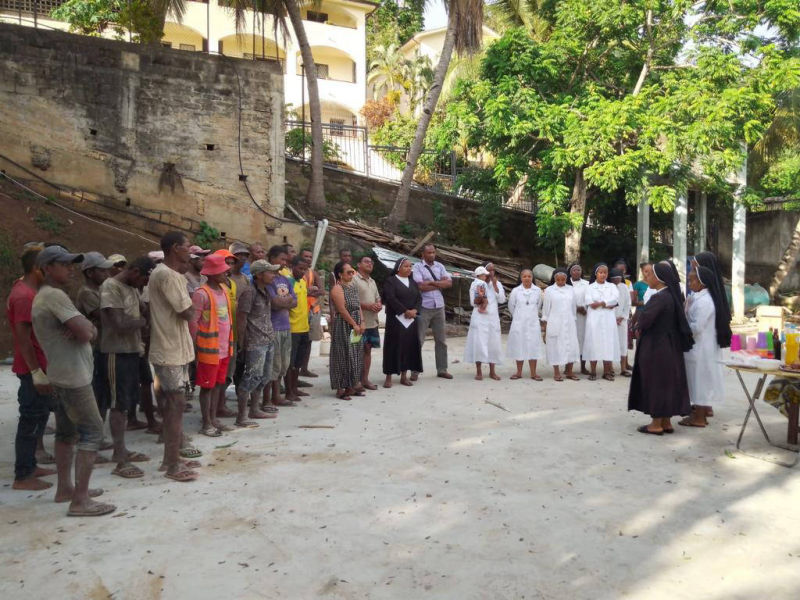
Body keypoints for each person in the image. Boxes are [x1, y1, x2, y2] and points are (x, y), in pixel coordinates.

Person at [32, 245, 115, 516]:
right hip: (73, 378)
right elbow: (87, 332)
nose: (70, 268)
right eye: (64, 264)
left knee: (67, 433)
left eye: (71, 263)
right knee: (92, 432)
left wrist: (84, 328)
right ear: (47, 268)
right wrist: (85, 328)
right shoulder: (55, 296)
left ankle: (65, 488)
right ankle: (80, 500)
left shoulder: (47, 296)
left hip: (61, 374)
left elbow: (84, 329)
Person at [148, 231, 199, 482]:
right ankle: (171, 464)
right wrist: (196, 305)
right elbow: (187, 311)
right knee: (175, 405)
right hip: (168, 350)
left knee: (173, 404)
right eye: (187, 247)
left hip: (172, 348)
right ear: (175, 248)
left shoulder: (164, 274)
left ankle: (171, 459)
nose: (190, 251)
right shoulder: (168, 276)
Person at [99, 256, 154, 478]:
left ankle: (122, 450)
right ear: (134, 271)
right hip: (116, 352)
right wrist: (143, 323)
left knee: (127, 401)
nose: (143, 284)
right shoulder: (111, 287)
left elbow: (143, 310)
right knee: (118, 404)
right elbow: (119, 324)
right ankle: (119, 457)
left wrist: (144, 317)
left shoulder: (132, 288)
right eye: (142, 278)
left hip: (132, 351)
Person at [7, 245, 56, 491]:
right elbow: (24, 340)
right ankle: (23, 475)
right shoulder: (24, 297)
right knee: (30, 420)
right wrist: (37, 372)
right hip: (32, 369)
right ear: (38, 269)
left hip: (40, 366)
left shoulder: (27, 291)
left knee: (38, 418)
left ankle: (30, 465)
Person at [628, 261, 694, 435]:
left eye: (650, 274)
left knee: (656, 382)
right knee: (668, 382)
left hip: (657, 346)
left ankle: (656, 424)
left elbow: (645, 320)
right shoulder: (672, 296)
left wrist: (638, 320)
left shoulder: (660, 298)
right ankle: (666, 421)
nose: (647, 277)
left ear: (659, 278)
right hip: (670, 346)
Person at [189, 254, 234, 437]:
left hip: (224, 347)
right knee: (207, 387)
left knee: (217, 385)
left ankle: (213, 418)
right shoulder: (202, 294)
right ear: (214, 274)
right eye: (223, 271)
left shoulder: (223, 290)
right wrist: (194, 346)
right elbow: (193, 321)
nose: (226, 273)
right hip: (209, 348)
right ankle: (206, 422)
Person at [680, 265, 730, 427]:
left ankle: (699, 418)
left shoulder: (705, 302)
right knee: (696, 381)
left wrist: (682, 325)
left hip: (700, 347)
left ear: (702, 282)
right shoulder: (698, 297)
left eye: (692, 280)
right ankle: (698, 414)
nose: (689, 283)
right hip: (697, 347)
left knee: (699, 381)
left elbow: (697, 327)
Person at [236, 259, 280, 422]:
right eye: (270, 272)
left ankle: (254, 409)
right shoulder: (249, 292)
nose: (274, 275)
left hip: (267, 339)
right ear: (260, 275)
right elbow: (242, 319)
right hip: (255, 341)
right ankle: (242, 416)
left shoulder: (265, 290)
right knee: (251, 377)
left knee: (264, 376)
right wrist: (242, 343)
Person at [75, 252, 114, 434]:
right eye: (102, 271)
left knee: (103, 393)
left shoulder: (100, 291)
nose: (107, 274)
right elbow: (106, 316)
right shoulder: (87, 293)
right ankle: (91, 435)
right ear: (90, 273)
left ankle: (96, 433)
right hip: (94, 349)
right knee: (97, 393)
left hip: (103, 347)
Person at [411, 244, 453, 380]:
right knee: (419, 339)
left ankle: (442, 369)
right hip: (424, 306)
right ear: (422, 254)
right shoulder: (417, 267)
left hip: (439, 307)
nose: (432, 255)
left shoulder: (440, 266)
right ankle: (414, 370)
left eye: (433, 252)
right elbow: (420, 286)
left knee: (441, 340)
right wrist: (439, 283)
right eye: (429, 253)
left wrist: (431, 283)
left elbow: (449, 284)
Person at [264, 245, 297, 408]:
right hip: (273, 327)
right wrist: (286, 301)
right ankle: (270, 397)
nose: (284, 263)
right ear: (272, 259)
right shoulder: (268, 279)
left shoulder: (284, 279)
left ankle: (277, 395)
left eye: (285, 259)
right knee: (273, 364)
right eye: (281, 259)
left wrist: (283, 302)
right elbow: (274, 303)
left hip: (285, 326)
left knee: (283, 363)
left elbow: (295, 301)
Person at [381, 257, 422, 387]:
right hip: (396, 319)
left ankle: (404, 376)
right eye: (406, 266)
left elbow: (419, 298)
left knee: (408, 347)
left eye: (410, 267)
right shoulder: (391, 281)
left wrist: (415, 310)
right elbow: (391, 298)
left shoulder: (413, 282)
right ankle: (388, 376)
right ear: (398, 268)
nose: (409, 269)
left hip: (410, 321)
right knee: (393, 346)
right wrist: (405, 311)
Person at [329, 261, 365, 399]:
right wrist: (353, 324)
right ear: (340, 274)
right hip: (344, 324)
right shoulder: (337, 289)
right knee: (342, 354)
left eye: (352, 271)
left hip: (355, 321)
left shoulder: (353, 286)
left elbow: (358, 305)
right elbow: (342, 310)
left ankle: (352, 384)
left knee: (355, 354)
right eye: (348, 272)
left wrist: (362, 322)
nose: (352, 274)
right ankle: (341, 388)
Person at [464, 265, 505, 380]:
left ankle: (492, 371)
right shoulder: (476, 284)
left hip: (493, 318)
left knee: (493, 343)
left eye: (493, 270)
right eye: (489, 270)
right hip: (479, 317)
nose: (491, 272)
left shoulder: (497, 283)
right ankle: (479, 371)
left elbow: (502, 299)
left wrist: (495, 284)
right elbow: (473, 302)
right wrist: (480, 298)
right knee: (479, 343)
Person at [541, 267, 581, 382]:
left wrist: (573, 318)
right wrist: (545, 324)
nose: (560, 282)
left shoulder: (570, 289)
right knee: (555, 346)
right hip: (555, 321)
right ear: (554, 279)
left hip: (569, 321)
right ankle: (556, 372)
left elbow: (573, 306)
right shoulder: (549, 290)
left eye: (563, 280)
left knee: (571, 345)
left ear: (566, 279)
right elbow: (546, 308)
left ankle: (569, 371)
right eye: (558, 280)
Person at [583, 263, 620, 381]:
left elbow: (615, 299)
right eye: (601, 272)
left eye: (605, 272)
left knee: (608, 344)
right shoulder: (590, 287)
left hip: (608, 320)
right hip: (594, 320)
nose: (603, 275)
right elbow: (590, 303)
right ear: (596, 274)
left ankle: (607, 371)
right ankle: (593, 371)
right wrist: (606, 303)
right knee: (594, 344)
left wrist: (601, 303)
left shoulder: (612, 286)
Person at [506, 269, 545, 380]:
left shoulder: (537, 290)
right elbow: (511, 306)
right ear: (521, 278)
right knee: (519, 346)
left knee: (533, 346)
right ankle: (519, 372)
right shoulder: (515, 291)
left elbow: (538, 305)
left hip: (532, 323)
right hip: (519, 323)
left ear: (532, 278)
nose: (527, 278)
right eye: (524, 276)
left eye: (529, 276)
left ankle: (533, 373)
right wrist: (519, 317)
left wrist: (530, 315)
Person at [355, 255, 382, 390]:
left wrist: (378, 305)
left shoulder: (372, 281)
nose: (370, 264)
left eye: (371, 262)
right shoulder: (353, 279)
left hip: (372, 322)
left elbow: (378, 298)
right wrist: (367, 306)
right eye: (366, 261)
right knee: (356, 351)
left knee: (367, 350)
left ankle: (365, 379)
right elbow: (350, 300)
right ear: (358, 264)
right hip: (358, 322)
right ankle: (355, 381)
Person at [286, 256, 311, 402]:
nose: (303, 272)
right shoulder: (288, 282)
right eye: (300, 268)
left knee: (298, 362)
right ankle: (289, 391)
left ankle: (295, 388)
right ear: (292, 267)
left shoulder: (302, 281)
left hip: (304, 327)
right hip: (292, 328)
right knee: (290, 362)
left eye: (305, 269)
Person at [299, 248, 323, 378]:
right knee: (299, 341)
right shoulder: (295, 272)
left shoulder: (313, 273)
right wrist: (310, 291)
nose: (308, 259)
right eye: (305, 256)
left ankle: (305, 368)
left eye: (310, 256)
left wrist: (308, 291)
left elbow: (322, 291)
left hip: (313, 310)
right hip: (300, 310)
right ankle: (296, 370)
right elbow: (298, 291)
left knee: (308, 341)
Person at [568, 263, 590, 374]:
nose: (577, 272)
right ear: (570, 272)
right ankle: (568, 367)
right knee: (569, 340)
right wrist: (576, 308)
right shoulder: (566, 283)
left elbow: (591, 298)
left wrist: (586, 308)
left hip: (584, 316)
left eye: (579, 270)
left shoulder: (586, 284)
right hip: (570, 316)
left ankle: (583, 367)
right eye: (574, 270)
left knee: (583, 340)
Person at [610, 268, 632, 377]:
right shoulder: (608, 287)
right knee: (610, 344)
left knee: (623, 344)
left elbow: (628, 303)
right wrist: (613, 318)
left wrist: (622, 317)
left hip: (622, 320)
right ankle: (610, 368)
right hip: (610, 320)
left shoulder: (624, 287)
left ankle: (623, 368)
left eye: (619, 278)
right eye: (615, 278)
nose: (617, 280)